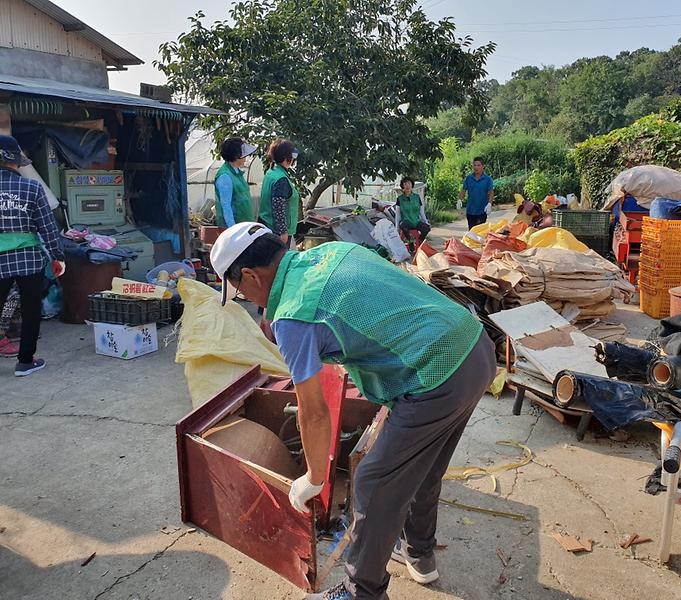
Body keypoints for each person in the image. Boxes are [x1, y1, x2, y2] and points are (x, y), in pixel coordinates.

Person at [210, 223, 496, 600]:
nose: (247, 299)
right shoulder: (330, 253)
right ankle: (419, 555)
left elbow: (313, 414)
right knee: (422, 466)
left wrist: (312, 478)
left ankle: (360, 591)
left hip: (437, 374)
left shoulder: (294, 317)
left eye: (241, 291)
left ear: (249, 275)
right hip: (474, 348)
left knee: (374, 481)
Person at [0, 135, 65, 376]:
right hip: (28, 260)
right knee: (30, 310)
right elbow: (48, 228)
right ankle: (25, 362)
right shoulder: (32, 187)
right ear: (15, 162)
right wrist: (58, 256)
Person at [260, 138, 301, 245]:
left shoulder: (271, 172)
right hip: (276, 231)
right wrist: (283, 232)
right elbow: (278, 208)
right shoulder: (281, 179)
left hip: (266, 224)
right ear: (287, 157)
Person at [215, 137, 258, 228]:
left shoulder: (237, 172)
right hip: (236, 229)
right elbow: (226, 206)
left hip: (245, 226)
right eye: (244, 155)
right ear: (236, 156)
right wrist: (233, 230)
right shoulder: (225, 176)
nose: (246, 158)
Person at [459, 156, 494, 230]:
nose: (476, 167)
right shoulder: (468, 178)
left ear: (483, 166)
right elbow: (463, 190)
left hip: (482, 211)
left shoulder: (488, 179)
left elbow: (491, 193)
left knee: (480, 233)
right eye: (474, 165)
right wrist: (459, 200)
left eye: (478, 165)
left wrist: (489, 204)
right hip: (470, 211)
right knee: (472, 233)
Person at [394, 177, 430, 242]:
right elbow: (398, 214)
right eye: (405, 184)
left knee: (427, 228)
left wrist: (426, 221)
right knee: (403, 226)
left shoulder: (417, 197)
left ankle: (419, 241)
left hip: (416, 222)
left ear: (412, 185)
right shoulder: (399, 199)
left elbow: (421, 212)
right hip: (406, 222)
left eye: (409, 184)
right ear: (403, 186)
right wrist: (397, 227)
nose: (407, 186)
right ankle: (411, 242)